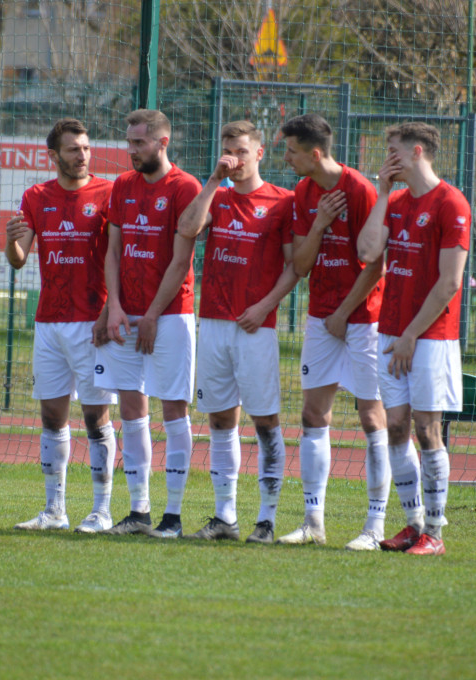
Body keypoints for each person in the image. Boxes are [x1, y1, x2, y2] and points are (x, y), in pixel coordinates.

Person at [176, 121, 299, 543]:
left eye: (243, 151)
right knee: (220, 420)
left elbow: (294, 266)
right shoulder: (220, 196)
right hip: (212, 322)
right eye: (229, 150)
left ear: (260, 153)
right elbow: (189, 228)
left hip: (255, 326)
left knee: (265, 421)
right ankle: (224, 517)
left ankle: (266, 520)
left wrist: (265, 306)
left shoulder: (283, 202)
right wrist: (213, 179)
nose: (235, 159)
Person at [277, 113, 391, 550]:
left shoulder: (360, 190)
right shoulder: (304, 192)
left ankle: (374, 527)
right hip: (322, 318)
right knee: (312, 415)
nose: (286, 158)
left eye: (290, 150)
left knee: (371, 417)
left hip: (362, 319)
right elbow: (301, 266)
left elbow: (375, 263)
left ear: (315, 153)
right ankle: (312, 523)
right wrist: (321, 224)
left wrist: (345, 311)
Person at [356, 121, 471, 556]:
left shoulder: (450, 203)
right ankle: (412, 523)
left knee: (427, 429)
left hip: (430, 337)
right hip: (392, 335)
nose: (388, 159)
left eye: (393, 151)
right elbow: (367, 252)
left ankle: (436, 534)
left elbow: (450, 283)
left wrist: (409, 335)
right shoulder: (398, 201)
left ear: (417, 152)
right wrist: (382, 193)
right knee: (397, 429)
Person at [6, 117, 118, 533]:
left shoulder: (109, 192)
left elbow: (120, 257)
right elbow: (19, 260)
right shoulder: (36, 196)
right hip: (49, 323)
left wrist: (111, 310)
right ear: (53, 156)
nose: (82, 155)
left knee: (96, 418)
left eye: (86, 147)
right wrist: (10, 239)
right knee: (53, 417)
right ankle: (55, 511)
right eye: (73, 149)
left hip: (93, 322)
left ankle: (102, 511)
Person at [96, 109, 202, 538]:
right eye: (129, 141)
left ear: (162, 142)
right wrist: (114, 306)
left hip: (171, 316)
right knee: (130, 408)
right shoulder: (123, 186)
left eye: (139, 142)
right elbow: (114, 252)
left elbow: (182, 261)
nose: (130, 150)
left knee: (173, 409)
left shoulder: (186, 187)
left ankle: (172, 518)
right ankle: (139, 511)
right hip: (128, 314)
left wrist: (153, 315)